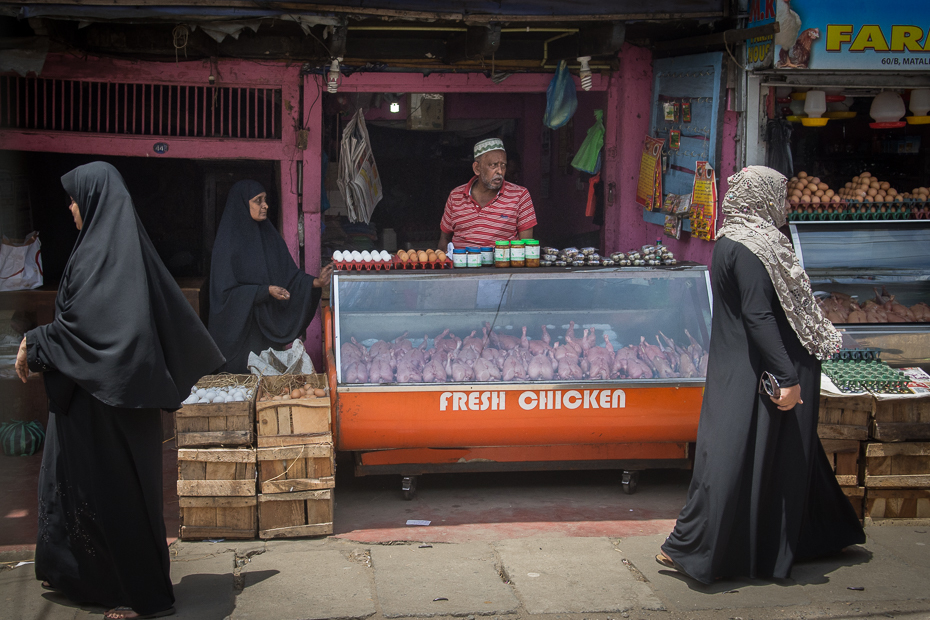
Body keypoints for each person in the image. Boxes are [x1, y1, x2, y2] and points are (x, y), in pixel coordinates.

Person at [14, 161, 225, 619]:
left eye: (74, 199)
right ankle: (77, 573)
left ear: (93, 201)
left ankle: (134, 594)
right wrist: (49, 339)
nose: (70, 208)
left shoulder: (112, 256)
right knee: (77, 486)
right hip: (89, 397)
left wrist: (39, 340)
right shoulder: (96, 249)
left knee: (119, 496)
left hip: (115, 404)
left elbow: (101, 331)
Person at [657, 166, 865, 584]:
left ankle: (818, 534)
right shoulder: (753, 247)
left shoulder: (735, 238)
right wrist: (786, 376)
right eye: (780, 194)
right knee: (731, 458)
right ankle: (691, 547)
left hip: (747, 370)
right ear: (762, 197)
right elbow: (757, 314)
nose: (786, 203)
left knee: (786, 454)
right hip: (760, 374)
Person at [208, 180, 333, 373]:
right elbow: (223, 296)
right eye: (258, 200)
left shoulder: (270, 238)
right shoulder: (227, 245)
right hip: (241, 334)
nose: (265, 205)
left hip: (267, 333)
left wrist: (315, 283)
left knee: (269, 383)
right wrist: (263, 291)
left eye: (265, 200)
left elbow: (289, 276)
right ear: (243, 203)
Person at [438, 138, 537, 249]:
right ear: (477, 168)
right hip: (462, 264)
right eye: (493, 165)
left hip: (502, 264)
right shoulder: (456, 196)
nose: (500, 171)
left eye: (503, 165)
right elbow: (444, 238)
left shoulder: (520, 195)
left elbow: (527, 246)